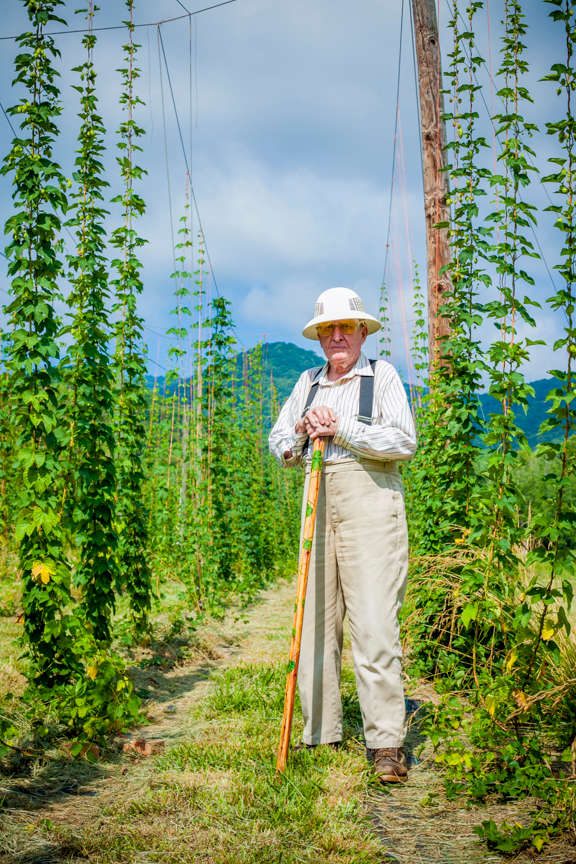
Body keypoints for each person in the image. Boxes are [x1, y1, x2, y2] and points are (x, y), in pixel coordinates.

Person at [269, 286, 417, 783]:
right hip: (318, 496)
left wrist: (342, 429)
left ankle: (386, 744)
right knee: (314, 621)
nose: (337, 336)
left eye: (345, 328)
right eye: (327, 330)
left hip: (371, 502)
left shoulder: (383, 377)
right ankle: (321, 732)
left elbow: (403, 441)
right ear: (318, 337)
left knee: (374, 624)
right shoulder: (307, 383)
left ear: (361, 332)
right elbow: (278, 442)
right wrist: (301, 435)